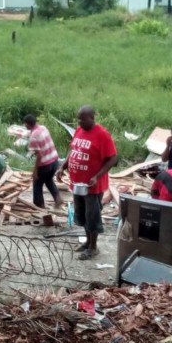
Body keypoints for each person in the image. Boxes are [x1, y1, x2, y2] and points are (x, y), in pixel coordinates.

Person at [56, 106, 118, 260]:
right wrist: (62, 166)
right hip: (77, 182)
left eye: (82, 118)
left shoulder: (102, 135)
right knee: (82, 215)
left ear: (91, 117)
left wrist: (97, 176)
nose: (79, 121)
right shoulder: (79, 131)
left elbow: (113, 158)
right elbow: (73, 150)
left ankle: (93, 247)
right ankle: (87, 242)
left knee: (92, 216)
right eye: (78, 118)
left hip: (92, 185)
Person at [24, 114, 63, 209]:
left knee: (37, 184)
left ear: (27, 124)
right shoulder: (42, 128)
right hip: (54, 160)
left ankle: (39, 205)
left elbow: (39, 155)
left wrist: (35, 171)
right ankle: (58, 199)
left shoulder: (33, 137)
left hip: (45, 164)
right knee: (49, 180)